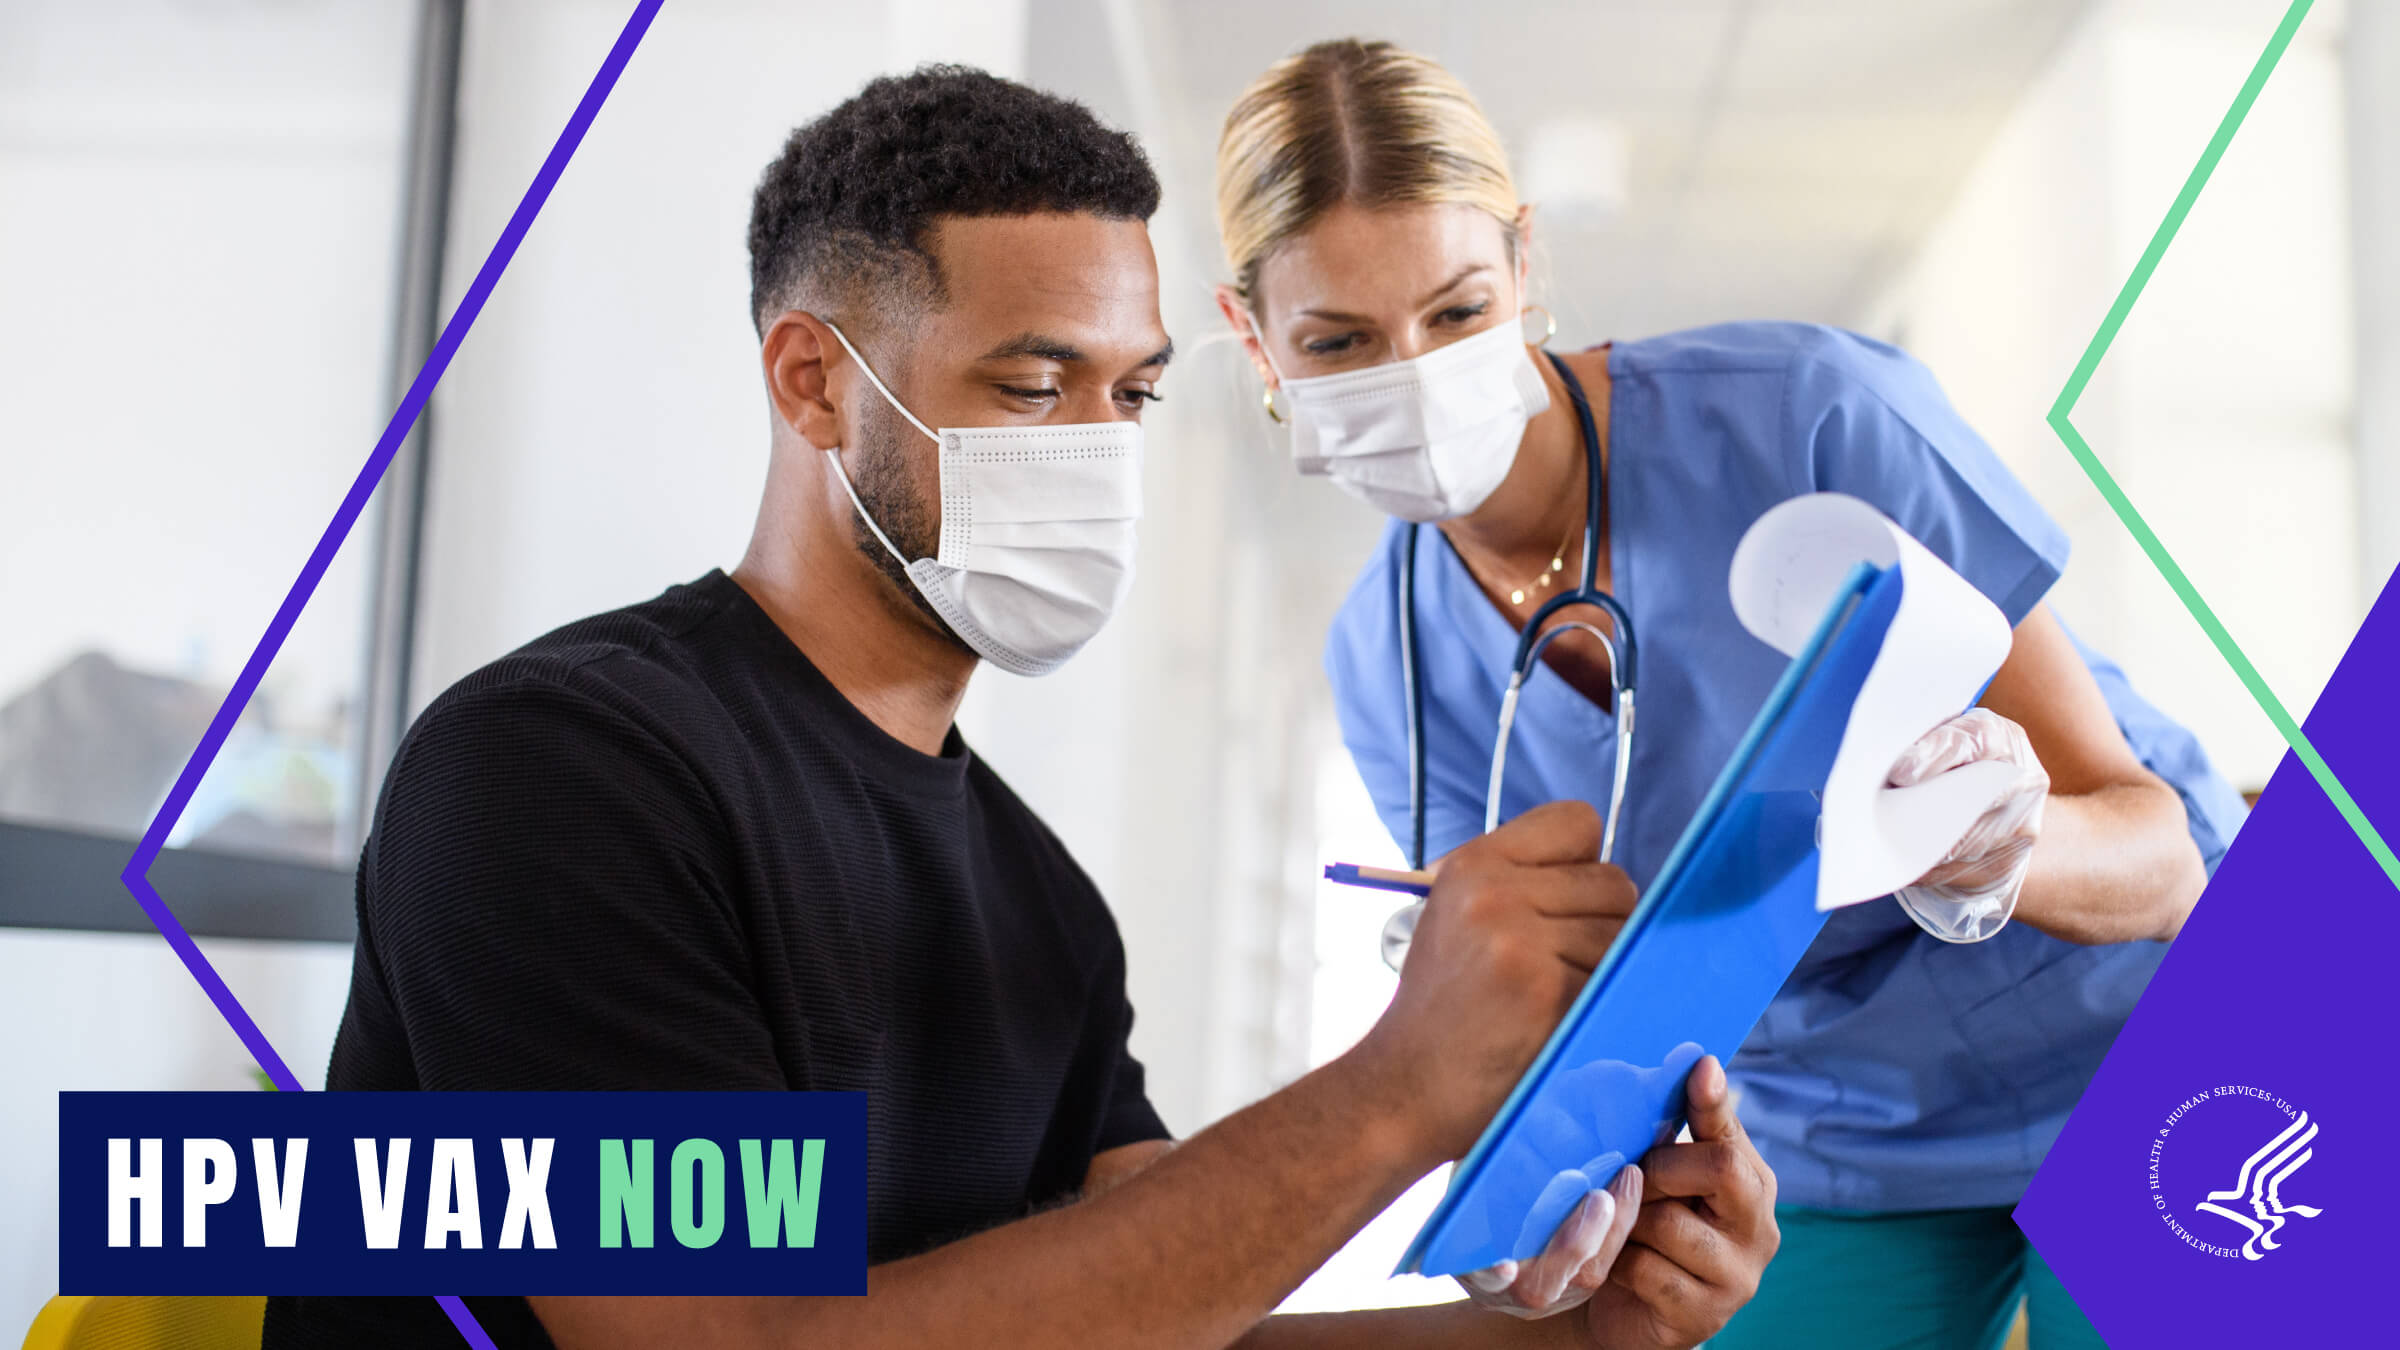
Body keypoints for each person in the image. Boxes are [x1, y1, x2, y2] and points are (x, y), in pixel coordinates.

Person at [263, 67, 1778, 1350]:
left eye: (1132, 394)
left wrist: (1564, 1333)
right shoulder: (564, 774)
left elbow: (1156, 1322)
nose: (1098, 449)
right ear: (814, 382)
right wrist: (1396, 1090)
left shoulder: (1039, 900)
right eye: (1035, 387)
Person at [1210, 39, 2248, 1350]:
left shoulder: (1811, 416)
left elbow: (2162, 857)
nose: (1414, 371)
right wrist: (1520, 1207)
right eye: (1340, 340)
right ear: (1254, 338)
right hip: (1844, 1135)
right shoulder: (1389, 663)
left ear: (1524, 267)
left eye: (1457, 312)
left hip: (2160, 1029)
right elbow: (1550, 1019)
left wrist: (1997, 845)